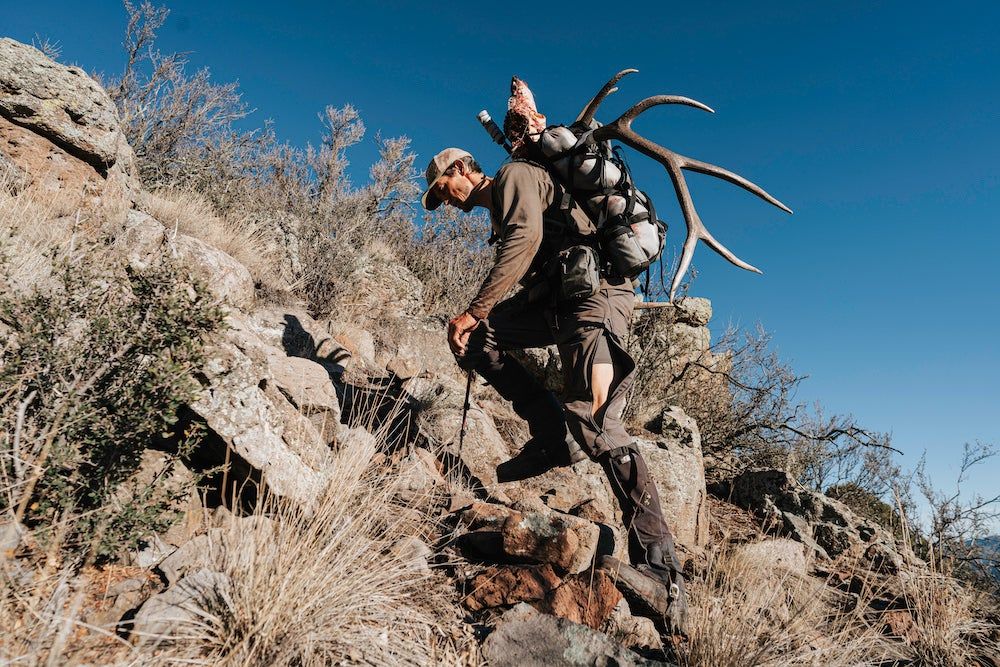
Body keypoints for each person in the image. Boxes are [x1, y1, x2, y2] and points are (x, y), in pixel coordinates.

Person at [423, 147, 689, 631]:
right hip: (560, 304)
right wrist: (481, 321)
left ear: (460, 170)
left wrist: (474, 309)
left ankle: (663, 572)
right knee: (482, 342)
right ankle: (551, 435)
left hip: (597, 298)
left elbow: (523, 241)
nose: (448, 202)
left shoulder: (512, 176)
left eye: (444, 190)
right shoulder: (501, 202)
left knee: (596, 418)